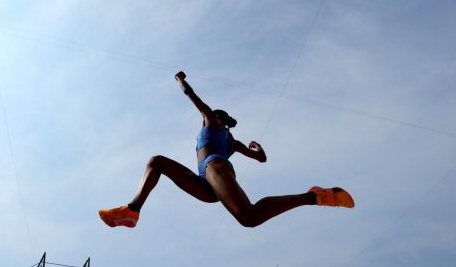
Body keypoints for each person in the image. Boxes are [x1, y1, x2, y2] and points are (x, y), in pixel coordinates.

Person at [98, 72, 354, 228]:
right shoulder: (233, 142)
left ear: (217, 117)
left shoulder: (213, 122)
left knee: (249, 217)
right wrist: (257, 147)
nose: (204, 120)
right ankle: (132, 210)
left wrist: (180, 79)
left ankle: (313, 196)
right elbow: (261, 159)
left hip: (214, 167)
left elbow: (192, 96)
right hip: (207, 183)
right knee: (157, 161)